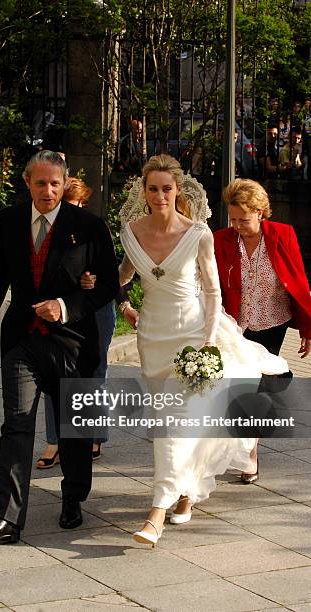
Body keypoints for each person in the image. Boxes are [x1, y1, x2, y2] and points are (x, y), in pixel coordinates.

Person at [117, 154, 287, 547]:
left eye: (167, 188)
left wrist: (210, 340)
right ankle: (186, 492)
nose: (160, 195)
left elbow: (212, 291)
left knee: (174, 424)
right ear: (143, 191)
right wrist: (115, 297)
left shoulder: (197, 233)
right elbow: (122, 275)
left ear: (178, 191)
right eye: (153, 188)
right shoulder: (132, 232)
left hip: (192, 335)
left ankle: (156, 513)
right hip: (152, 337)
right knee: (170, 424)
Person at [0, 150, 119, 543]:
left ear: (64, 183)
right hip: (22, 339)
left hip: (73, 343)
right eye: (40, 183)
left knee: (73, 428)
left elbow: (109, 286)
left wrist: (66, 305)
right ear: (28, 183)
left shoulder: (88, 226)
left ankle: (72, 499)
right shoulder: (10, 220)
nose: (48, 190)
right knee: (16, 426)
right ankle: (7, 519)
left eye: (55, 183)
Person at [214, 178, 311, 483]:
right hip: (235, 324)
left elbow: (298, 280)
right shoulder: (221, 240)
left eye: (243, 219)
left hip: (273, 322)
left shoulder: (283, 235)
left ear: (260, 212)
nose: (237, 225)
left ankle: (250, 451)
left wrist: (307, 328)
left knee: (259, 389)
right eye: (233, 219)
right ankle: (237, 448)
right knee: (237, 387)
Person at [36, 177, 116, 468]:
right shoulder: (44, 229)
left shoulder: (96, 227)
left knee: (94, 374)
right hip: (58, 311)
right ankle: (55, 441)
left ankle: (92, 436)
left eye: (81, 203)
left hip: (96, 311)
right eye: (71, 203)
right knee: (53, 375)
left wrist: (96, 282)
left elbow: (112, 276)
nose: (77, 208)